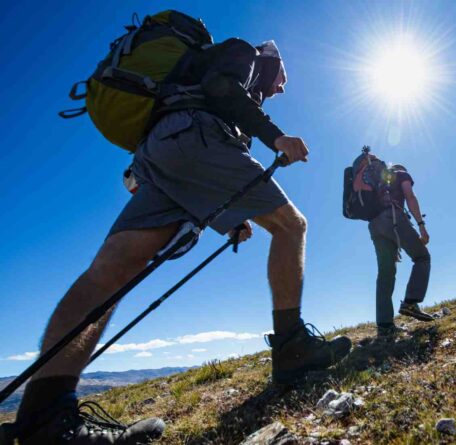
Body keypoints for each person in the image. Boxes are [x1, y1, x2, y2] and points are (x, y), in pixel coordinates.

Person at [13, 37, 351, 444]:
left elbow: (205, 160)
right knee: (291, 225)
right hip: (196, 134)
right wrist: (275, 136)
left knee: (109, 273)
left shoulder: (196, 79)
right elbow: (221, 90)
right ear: (272, 61)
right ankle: (293, 347)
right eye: (284, 78)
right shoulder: (246, 53)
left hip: (157, 152)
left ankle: (44, 415)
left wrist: (231, 221)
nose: (281, 87)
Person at [353, 153, 434, 338]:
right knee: (422, 257)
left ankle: (385, 326)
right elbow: (410, 197)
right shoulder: (401, 174)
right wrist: (421, 226)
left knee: (385, 274)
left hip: (374, 226)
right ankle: (411, 302)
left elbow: (362, 190)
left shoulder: (379, 181)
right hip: (393, 218)